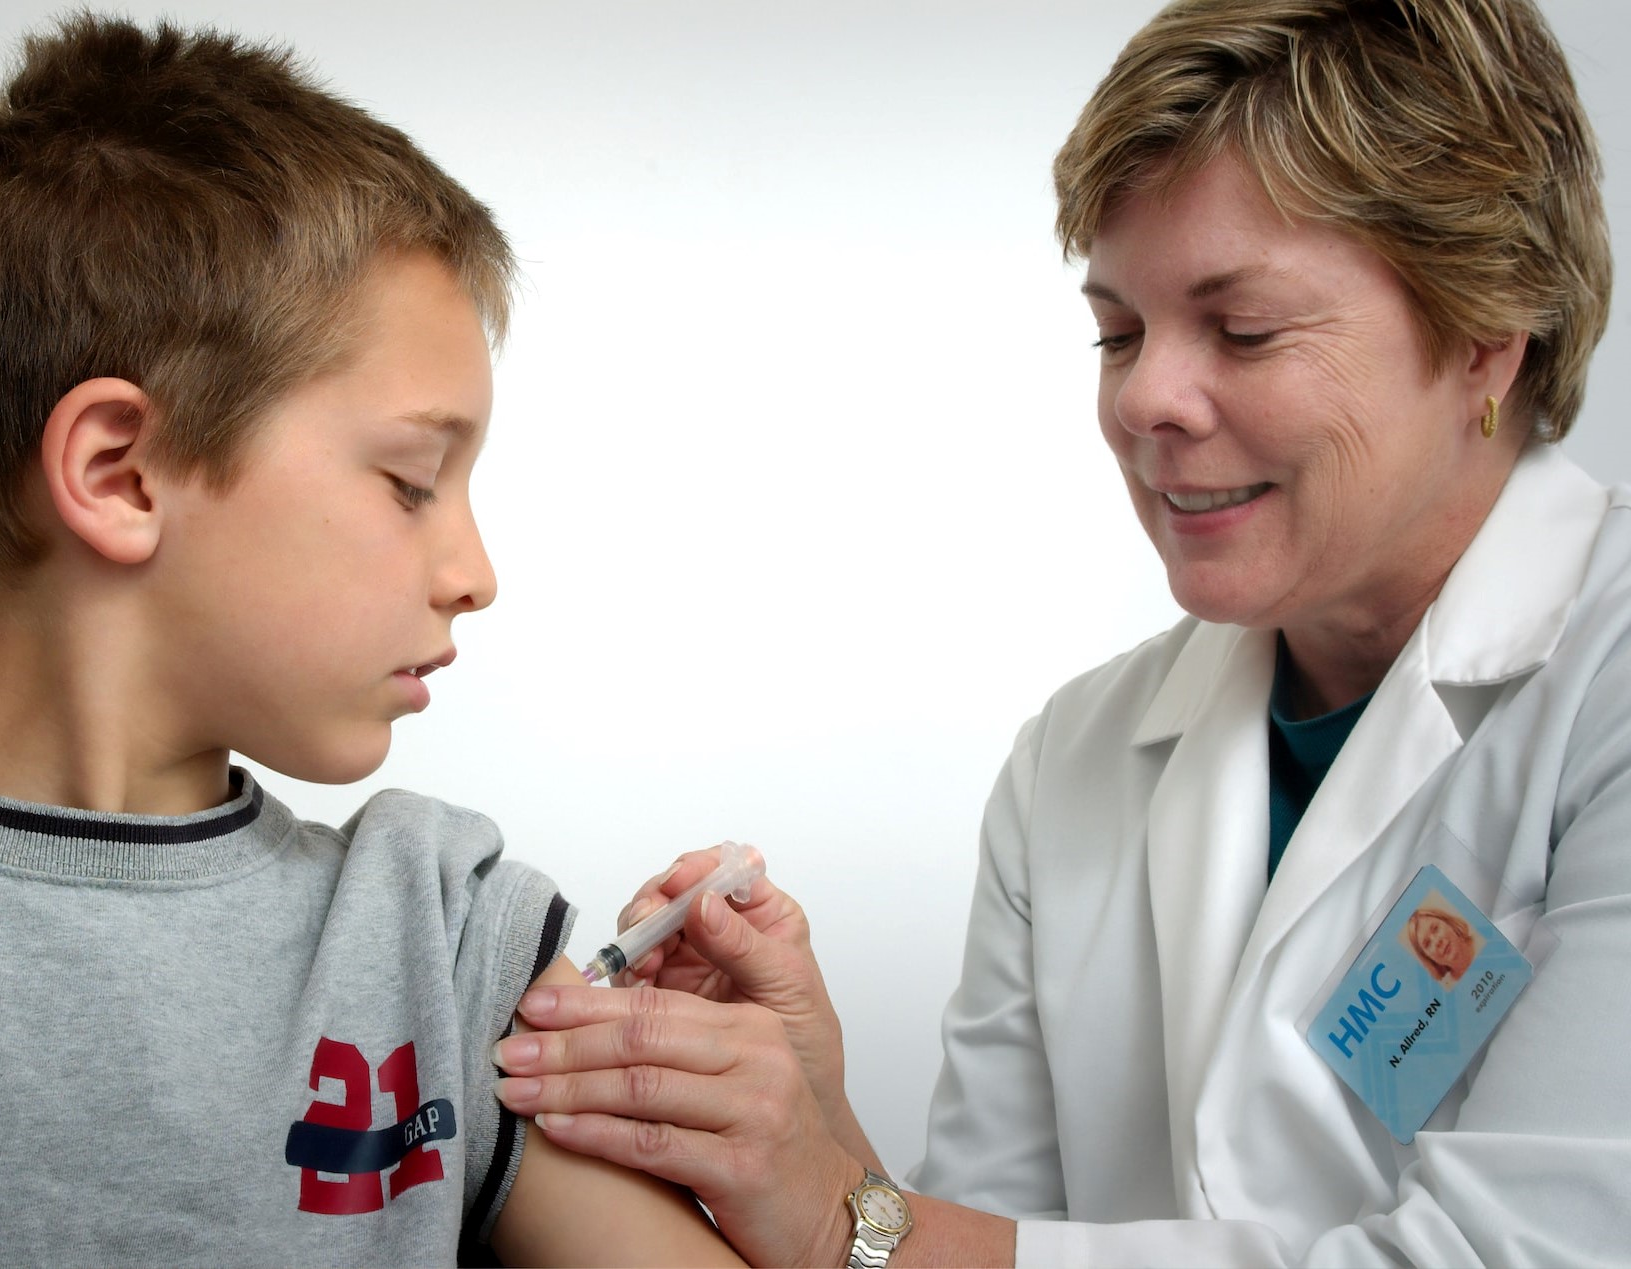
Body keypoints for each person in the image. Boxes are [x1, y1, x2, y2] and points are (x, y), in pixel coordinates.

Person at [491, 0, 1631, 1263]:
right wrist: (814, 1128)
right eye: (1117, 331)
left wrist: (826, 1214)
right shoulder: (1075, 760)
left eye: (1240, 330)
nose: (1142, 398)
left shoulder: (1602, 683)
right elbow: (970, 1244)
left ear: (1484, 332)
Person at [0, 15, 741, 1267]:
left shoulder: (435, 939)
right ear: (122, 474)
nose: (475, 576)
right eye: (412, 480)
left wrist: (818, 1154)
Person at [1406, 904, 1479, 986]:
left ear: (1448, 923)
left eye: (1435, 929)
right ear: (1428, 958)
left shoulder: (1483, 938)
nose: (1437, 942)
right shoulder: (1447, 991)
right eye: (1427, 943)